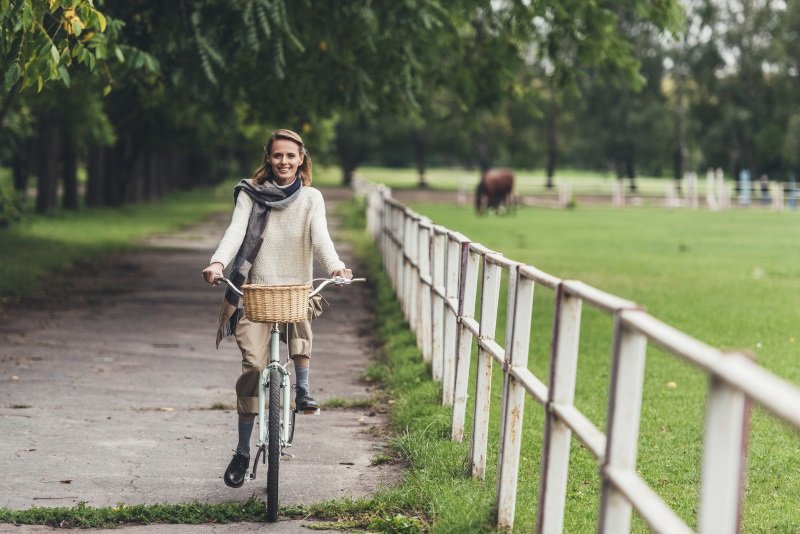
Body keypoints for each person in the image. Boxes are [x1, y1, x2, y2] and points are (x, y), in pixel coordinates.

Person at [201, 128, 352, 488]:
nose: (283, 162)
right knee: (252, 368)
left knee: (302, 308)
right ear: (268, 159)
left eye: (290, 156)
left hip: (292, 293)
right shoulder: (250, 196)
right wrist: (218, 263)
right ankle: (241, 450)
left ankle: (302, 389)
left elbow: (321, 239)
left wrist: (335, 267)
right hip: (253, 294)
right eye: (277, 156)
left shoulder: (312, 198)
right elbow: (235, 233)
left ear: (302, 160)